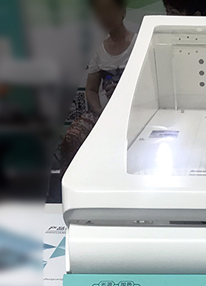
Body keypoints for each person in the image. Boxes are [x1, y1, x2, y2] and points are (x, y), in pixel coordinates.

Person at [58, 0, 136, 172]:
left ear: (123, 13)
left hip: (135, 113)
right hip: (103, 115)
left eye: (109, 11)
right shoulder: (99, 51)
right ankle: (70, 182)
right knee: (72, 137)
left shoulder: (139, 44)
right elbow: (91, 90)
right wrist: (100, 113)